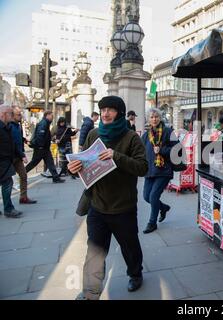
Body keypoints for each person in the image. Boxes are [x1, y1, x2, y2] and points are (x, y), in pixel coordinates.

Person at [67, 96, 148, 300]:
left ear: (119, 113)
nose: (105, 113)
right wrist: (74, 168)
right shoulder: (94, 134)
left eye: (110, 110)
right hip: (97, 205)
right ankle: (91, 292)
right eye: (103, 110)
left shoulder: (131, 138)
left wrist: (116, 156)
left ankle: (135, 274)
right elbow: (84, 164)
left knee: (130, 247)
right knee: (94, 252)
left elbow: (143, 168)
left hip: (123, 207)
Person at [141, 108, 177, 234]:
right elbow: (139, 151)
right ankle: (164, 208)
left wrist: (161, 150)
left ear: (160, 118)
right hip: (150, 170)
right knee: (146, 197)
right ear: (148, 119)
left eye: (156, 116)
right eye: (151, 117)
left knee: (153, 196)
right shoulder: (145, 135)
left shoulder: (168, 132)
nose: (154, 119)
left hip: (163, 170)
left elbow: (177, 150)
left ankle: (152, 223)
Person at [26, 111, 65, 183]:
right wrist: (41, 146)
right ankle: (23, 173)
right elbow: (40, 136)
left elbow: (46, 136)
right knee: (34, 162)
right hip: (41, 148)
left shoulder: (46, 123)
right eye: (51, 116)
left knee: (50, 162)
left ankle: (55, 177)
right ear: (47, 115)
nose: (52, 118)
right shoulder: (43, 123)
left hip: (45, 148)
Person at [0, 105, 23, 218]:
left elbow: (12, 143)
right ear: (3, 114)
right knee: (7, 183)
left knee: (7, 182)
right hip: (2, 161)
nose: (12, 116)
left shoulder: (7, 126)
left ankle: (8, 208)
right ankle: (8, 209)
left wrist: (20, 154)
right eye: (10, 113)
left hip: (7, 160)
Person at [10, 106, 37, 204]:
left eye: (20, 114)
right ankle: (7, 203)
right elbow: (12, 142)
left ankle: (23, 197)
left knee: (23, 176)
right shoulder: (9, 126)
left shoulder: (18, 125)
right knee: (6, 181)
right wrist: (22, 155)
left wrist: (24, 140)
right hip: (10, 156)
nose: (21, 116)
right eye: (18, 114)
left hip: (18, 155)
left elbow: (18, 138)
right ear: (12, 116)